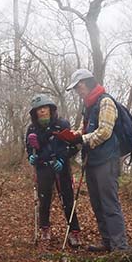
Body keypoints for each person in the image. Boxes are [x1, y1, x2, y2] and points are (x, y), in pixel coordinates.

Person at [54, 68, 129, 252]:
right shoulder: (89, 106)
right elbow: (84, 129)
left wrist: (82, 139)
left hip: (107, 160)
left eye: (79, 87)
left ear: (85, 83)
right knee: (97, 203)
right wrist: (72, 136)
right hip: (92, 161)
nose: (78, 91)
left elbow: (105, 131)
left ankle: (120, 248)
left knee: (109, 203)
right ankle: (107, 242)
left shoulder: (106, 102)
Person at [24, 93, 81, 246]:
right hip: (42, 167)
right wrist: (31, 156)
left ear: (50, 109)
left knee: (68, 199)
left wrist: (63, 159)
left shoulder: (62, 124)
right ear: (35, 112)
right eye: (38, 109)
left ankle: (74, 232)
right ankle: (44, 229)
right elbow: (29, 148)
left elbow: (72, 146)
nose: (42, 111)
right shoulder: (32, 129)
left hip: (61, 168)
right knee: (44, 200)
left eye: (44, 108)